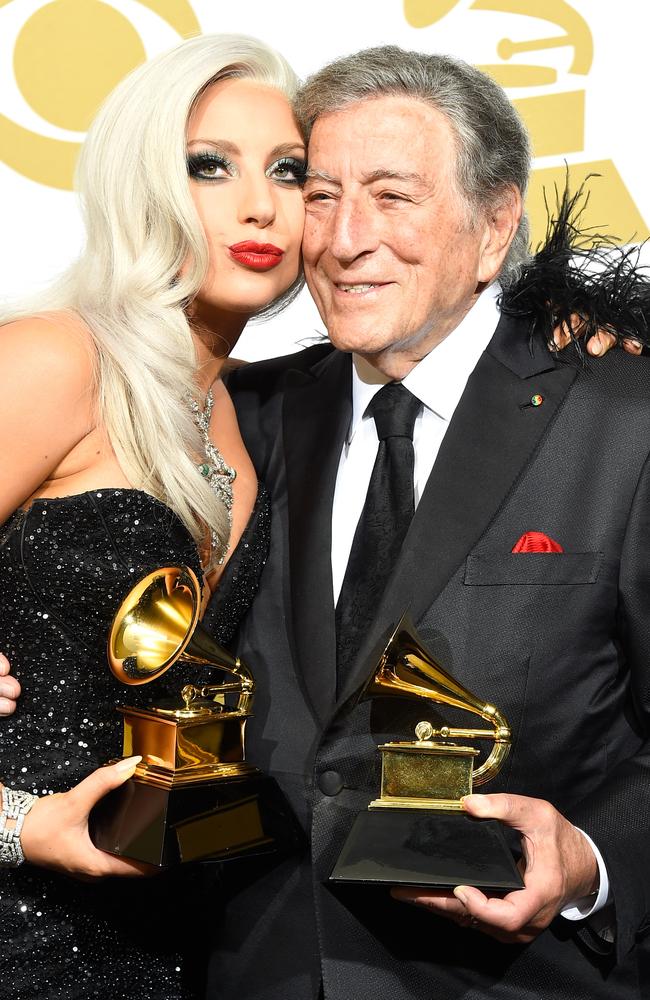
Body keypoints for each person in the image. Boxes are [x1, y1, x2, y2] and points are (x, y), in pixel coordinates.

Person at [205, 46, 650, 1000]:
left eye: (393, 197)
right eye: (319, 196)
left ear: (495, 228)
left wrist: (590, 858)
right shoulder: (241, 416)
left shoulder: (625, 422)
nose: (344, 238)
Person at [0, 33, 305, 999]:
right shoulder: (56, 361)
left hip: (171, 939)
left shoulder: (260, 408)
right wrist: (16, 827)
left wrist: (563, 318)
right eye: (208, 167)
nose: (260, 205)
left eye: (290, 172)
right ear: (141, 183)